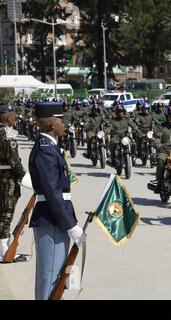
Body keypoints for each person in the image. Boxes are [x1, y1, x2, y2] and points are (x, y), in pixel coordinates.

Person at [28, 102, 86, 300]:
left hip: (55, 217)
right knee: (50, 276)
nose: (65, 124)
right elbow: (53, 193)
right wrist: (70, 225)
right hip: (51, 219)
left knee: (57, 274)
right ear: (53, 124)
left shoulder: (51, 147)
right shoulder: (45, 150)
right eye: (62, 120)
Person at [0, 103, 26, 262]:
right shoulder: (7, 134)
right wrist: (24, 177)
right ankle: (4, 251)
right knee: (6, 215)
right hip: (7, 179)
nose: (15, 118)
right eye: (14, 116)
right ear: (9, 117)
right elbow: (14, 160)